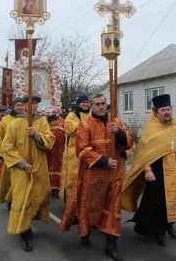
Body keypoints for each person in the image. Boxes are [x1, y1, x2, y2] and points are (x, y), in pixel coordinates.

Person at [59, 94, 133, 261]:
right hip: (93, 174)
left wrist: (119, 132)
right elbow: (82, 150)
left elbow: (129, 142)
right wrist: (105, 161)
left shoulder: (115, 121)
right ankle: (85, 233)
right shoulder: (85, 125)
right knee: (88, 207)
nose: (101, 107)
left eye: (103, 103)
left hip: (115, 175)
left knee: (113, 209)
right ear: (91, 107)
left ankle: (111, 246)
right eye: (97, 104)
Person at [122, 94, 176, 247]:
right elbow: (143, 154)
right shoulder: (150, 131)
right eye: (163, 110)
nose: (167, 112)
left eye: (169, 109)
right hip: (159, 174)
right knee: (160, 204)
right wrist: (147, 170)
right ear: (156, 112)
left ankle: (169, 224)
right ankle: (160, 231)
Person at [2, 95, 55, 252]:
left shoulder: (42, 122)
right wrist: (22, 164)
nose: (33, 107)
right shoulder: (15, 123)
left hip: (39, 169)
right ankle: (26, 235)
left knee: (39, 195)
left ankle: (28, 223)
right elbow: (7, 146)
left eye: (36, 104)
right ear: (24, 106)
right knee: (22, 199)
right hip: (21, 170)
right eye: (30, 104)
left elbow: (50, 141)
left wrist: (37, 135)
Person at [0, 97, 25, 210]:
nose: (20, 107)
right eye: (18, 105)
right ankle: (10, 200)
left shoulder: (28, 119)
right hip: (9, 155)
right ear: (13, 107)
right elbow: (0, 138)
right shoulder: (6, 120)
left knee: (22, 180)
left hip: (24, 155)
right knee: (10, 180)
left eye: (22, 105)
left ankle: (21, 201)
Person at [59, 94, 91, 204]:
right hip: (73, 153)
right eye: (83, 102)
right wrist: (81, 121)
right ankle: (70, 203)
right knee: (72, 179)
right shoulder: (72, 115)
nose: (85, 104)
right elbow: (68, 129)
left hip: (89, 151)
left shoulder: (92, 115)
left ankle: (84, 204)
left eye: (87, 102)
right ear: (79, 103)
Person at [45, 106, 65, 198]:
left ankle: (57, 188)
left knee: (59, 168)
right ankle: (48, 187)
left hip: (60, 149)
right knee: (48, 167)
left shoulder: (63, 121)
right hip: (48, 149)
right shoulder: (45, 121)